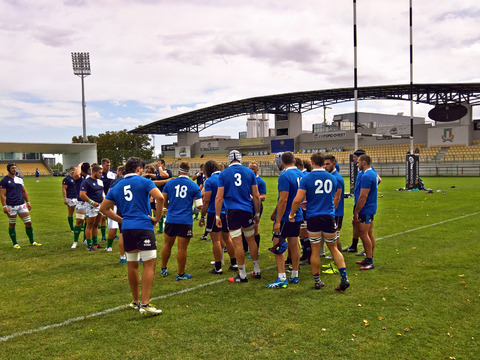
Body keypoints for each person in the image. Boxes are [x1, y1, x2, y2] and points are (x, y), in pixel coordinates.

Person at [100, 157, 164, 315]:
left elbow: (104, 208)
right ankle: (146, 304)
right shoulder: (143, 181)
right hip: (143, 226)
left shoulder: (117, 184)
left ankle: (136, 301)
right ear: (138, 169)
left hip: (127, 228)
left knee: (132, 265)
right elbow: (160, 197)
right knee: (149, 264)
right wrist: (157, 218)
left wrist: (121, 219)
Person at [289, 152, 350, 291]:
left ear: (311, 162)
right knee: (333, 248)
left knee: (315, 251)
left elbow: (298, 199)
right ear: (324, 162)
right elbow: (331, 197)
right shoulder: (333, 178)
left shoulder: (306, 178)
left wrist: (292, 213)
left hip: (313, 217)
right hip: (328, 216)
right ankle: (344, 277)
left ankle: (317, 281)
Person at [215, 150, 261, 283]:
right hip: (247, 210)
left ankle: (242, 274)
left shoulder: (223, 174)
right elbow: (256, 195)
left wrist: (218, 216)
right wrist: (257, 213)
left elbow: (219, 197)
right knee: (251, 240)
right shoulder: (249, 172)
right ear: (240, 159)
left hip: (232, 211)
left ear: (229, 160)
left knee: (237, 242)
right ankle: (256, 269)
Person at [267, 152, 303, 288]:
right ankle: (295, 274)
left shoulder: (285, 175)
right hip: (297, 215)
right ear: (294, 160)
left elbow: (283, 199)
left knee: (278, 244)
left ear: (281, 162)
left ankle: (282, 278)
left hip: (285, 216)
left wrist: (277, 220)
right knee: (294, 244)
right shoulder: (301, 174)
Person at [160, 162, 202, 280]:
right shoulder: (194, 186)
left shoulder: (170, 183)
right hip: (185, 220)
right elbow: (199, 206)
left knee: (167, 244)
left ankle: (163, 268)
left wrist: (169, 207)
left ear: (178, 172)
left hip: (171, 218)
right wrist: (191, 212)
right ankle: (181, 274)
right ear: (189, 173)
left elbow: (163, 200)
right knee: (182, 248)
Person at [199, 160, 237, 274]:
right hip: (228, 210)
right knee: (227, 238)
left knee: (215, 240)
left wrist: (202, 216)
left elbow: (206, 200)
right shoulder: (226, 176)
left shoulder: (210, 181)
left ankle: (218, 267)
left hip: (214, 211)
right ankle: (234, 263)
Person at [0, 163, 40, 248]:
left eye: (15, 168)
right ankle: (15, 244)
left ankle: (32, 241)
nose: (14, 169)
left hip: (22, 205)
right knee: (12, 224)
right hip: (11, 206)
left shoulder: (20, 179)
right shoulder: (4, 180)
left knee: (28, 223)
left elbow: (24, 191)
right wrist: (4, 206)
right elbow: (2, 195)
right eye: (12, 168)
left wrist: (28, 202)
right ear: (8, 169)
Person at [353, 154, 378, 270]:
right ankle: (369, 258)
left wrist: (357, 211)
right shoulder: (372, 173)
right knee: (369, 233)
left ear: (363, 163)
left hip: (365, 208)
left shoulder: (366, 176)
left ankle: (370, 260)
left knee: (363, 233)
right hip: (370, 207)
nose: (356, 164)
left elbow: (363, 196)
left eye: (358, 162)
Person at [241, 161, 266, 255]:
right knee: (243, 227)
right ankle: (245, 249)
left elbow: (263, 197)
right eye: (250, 168)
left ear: (257, 170)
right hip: (246, 206)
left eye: (253, 168)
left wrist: (254, 197)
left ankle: (256, 251)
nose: (251, 170)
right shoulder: (245, 180)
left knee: (255, 228)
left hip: (256, 206)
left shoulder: (260, 181)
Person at [324, 155, 345, 259]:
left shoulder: (337, 178)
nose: (325, 166)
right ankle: (336, 254)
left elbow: (337, 198)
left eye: (327, 164)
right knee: (333, 235)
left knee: (335, 235)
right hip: (333, 211)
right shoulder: (332, 177)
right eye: (324, 164)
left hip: (336, 212)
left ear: (334, 164)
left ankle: (338, 255)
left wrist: (331, 212)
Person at [80, 164, 105, 251]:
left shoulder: (100, 181)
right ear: (94, 172)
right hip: (91, 206)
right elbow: (82, 194)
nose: (101, 174)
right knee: (89, 224)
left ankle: (95, 244)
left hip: (100, 205)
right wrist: (92, 202)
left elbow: (102, 192)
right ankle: (89, 245)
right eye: (99, 173)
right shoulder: (86, 182)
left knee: (96, 225)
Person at [104, 166, 126, 253]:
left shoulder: (115, 181)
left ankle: (109, 247)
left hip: (116, 206)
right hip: (127, 206)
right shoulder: (131, 180)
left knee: (114, 228)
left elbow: (109, 193)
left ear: (120, 172)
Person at [295, 157, 311, 264]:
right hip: (304, 207)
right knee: (302, 232)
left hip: (304, 207)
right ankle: (305, 254)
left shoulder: (304, 176)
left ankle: (308, 255)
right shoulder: (304, 175)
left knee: (304, 232)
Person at [71, 162, 90, 248]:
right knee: (79, 221)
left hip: (89, 202)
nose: (90, 170)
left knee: (88, 222)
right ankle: (75, 241)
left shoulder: (89, 177)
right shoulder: (78, 177)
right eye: (89, 168)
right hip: (80, 202)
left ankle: (85, 239)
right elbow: (75, 174)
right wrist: (79, 164)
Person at [100, 158, 116, 241]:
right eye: (107, 165)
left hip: (112, 198)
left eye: (109, 165)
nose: (108, 167)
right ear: (102, 165)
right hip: (102, 198)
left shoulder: (113, 174)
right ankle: (103, 236)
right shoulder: (99, 174)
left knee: (113, 215)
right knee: (103, 217)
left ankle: (114, 233)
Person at [155, 159, 172, 234]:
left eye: (159, 163)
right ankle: (161, 228)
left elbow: (163, 175)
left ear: (163, 164)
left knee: (167, 210)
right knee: (160, 210)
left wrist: (160, 168)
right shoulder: (158, 172)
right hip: (159, 193)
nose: (157, 165)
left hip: (167, 194)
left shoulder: (168, 171)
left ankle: (169, 226)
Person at [62, 166, 77, 231]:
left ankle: (80, 226)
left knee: (81, 212)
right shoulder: (67, 179)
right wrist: (65, 198)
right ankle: (72, 227)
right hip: (70, 197)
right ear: (72, 170)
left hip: (77, 197)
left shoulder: (77, 178)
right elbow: (64, 189)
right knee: (71, 212)